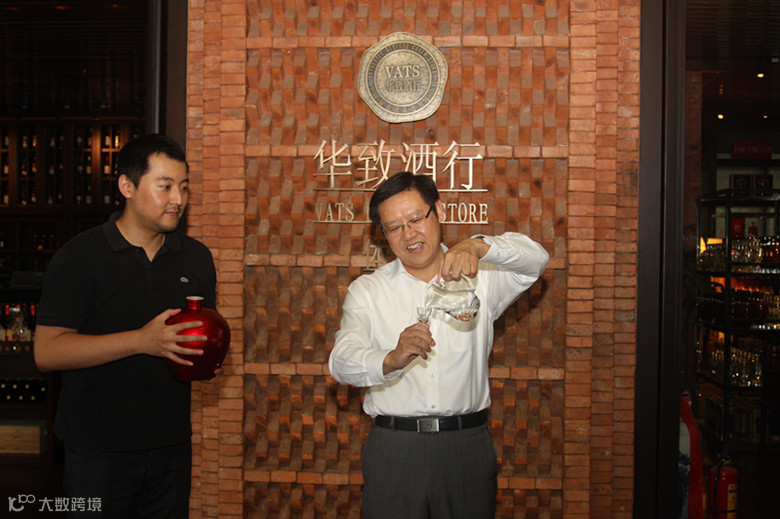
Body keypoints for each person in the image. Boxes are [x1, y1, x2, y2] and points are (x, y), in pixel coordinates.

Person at [328, 171, 549, 519]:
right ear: (383, 234)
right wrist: (391, 359)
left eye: (416, 219)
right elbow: (341, 363)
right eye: (394, 227)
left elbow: (537, 259)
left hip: (466, 446)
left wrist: (477, 246)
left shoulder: (483, 277)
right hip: (395, 448)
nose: (408, 234)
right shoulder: (369, 290)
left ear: (439, 211)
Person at [34, 134, 218, 518]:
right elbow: (48, 352)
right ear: (127, 186)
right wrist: (140, 341)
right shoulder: (79, 257)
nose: (178, 199)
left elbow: (198, 337)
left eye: (184, 187)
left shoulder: (195, 258)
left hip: (171, 447)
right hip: (96, 453)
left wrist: (207, 356)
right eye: (165, 186)